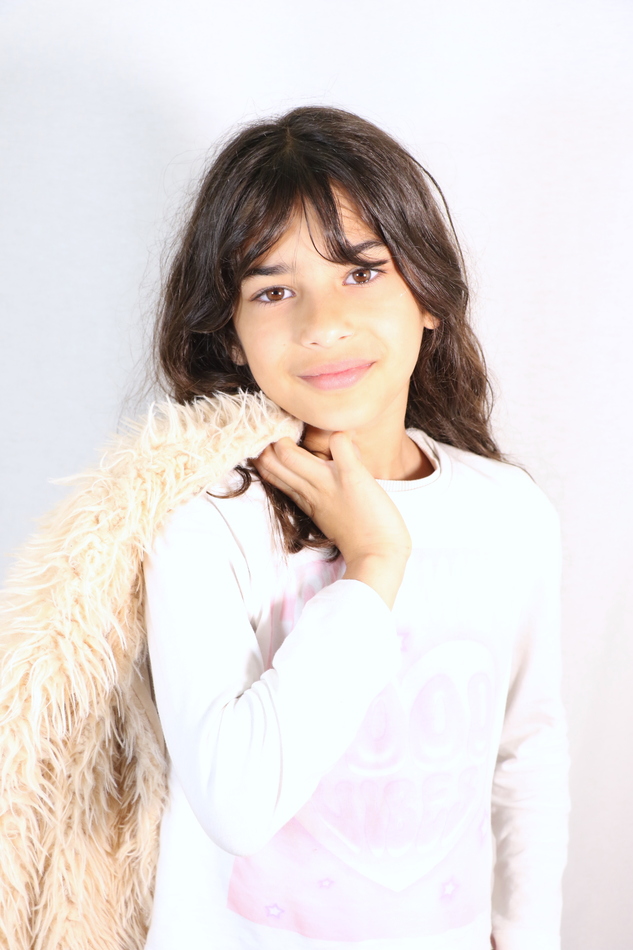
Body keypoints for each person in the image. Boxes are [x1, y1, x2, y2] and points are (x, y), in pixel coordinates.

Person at [0, 106, 569, 950]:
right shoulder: (205, 523)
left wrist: (527, 935)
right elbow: (236, 803)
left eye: (361, 272)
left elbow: (526, 751)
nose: (321, 323)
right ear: (230, 336)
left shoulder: (506, 511)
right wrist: (372, 562)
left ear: (429, 297)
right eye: (273, 291)